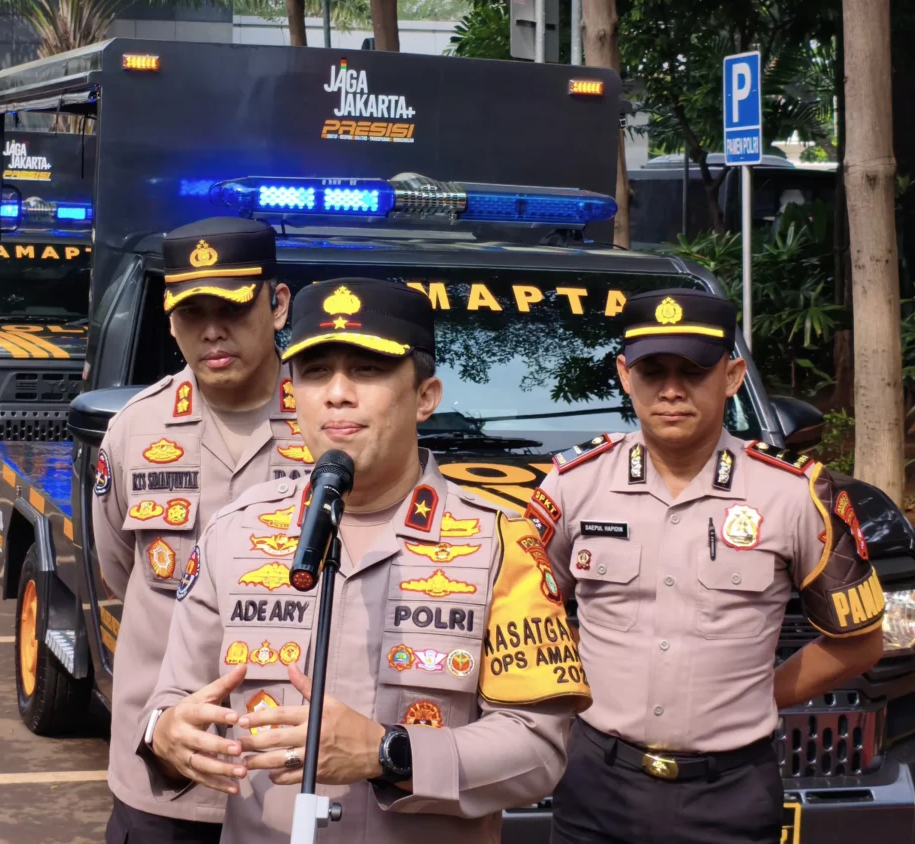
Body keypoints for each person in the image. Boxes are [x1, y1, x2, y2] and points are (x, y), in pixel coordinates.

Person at [139, 278, 589, 843]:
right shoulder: (234, 533)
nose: (337, 394)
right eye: (315, 372)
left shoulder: (499, 543)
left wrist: (388, 753)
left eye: (368, 370)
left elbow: (539, 748)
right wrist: (166, 734)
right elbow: (172, 702)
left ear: (425, 396)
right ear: (292, 393)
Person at [529, 289, 885, 844]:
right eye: (653, 371)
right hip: (596, 781)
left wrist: (754, 696)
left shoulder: (796, 495)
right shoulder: (574, 484)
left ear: (732, 375)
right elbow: (526, 613)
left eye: (694, 371)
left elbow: (860, 642)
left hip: (733, 791)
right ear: (625, 375)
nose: (672, 390)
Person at [93, 217, 307, 844]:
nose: (212, 331)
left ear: (277, 304)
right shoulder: (134, 431)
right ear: (169, 320)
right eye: (191, 312)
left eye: (232, 308)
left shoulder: (330, 424)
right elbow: (119, 571)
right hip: (164, 779)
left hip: (293, 782)